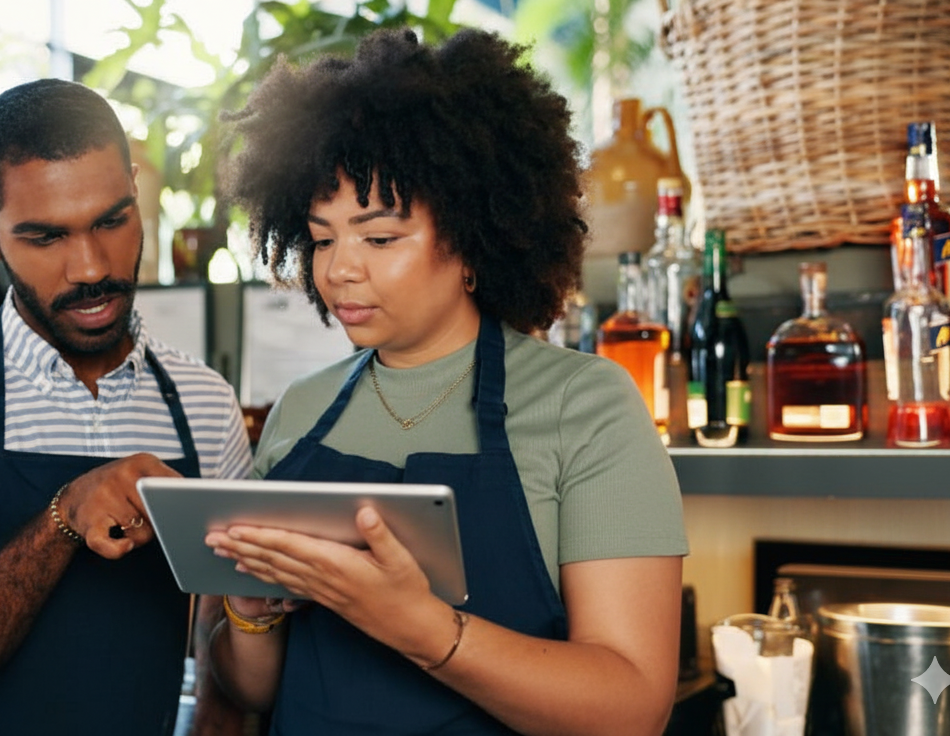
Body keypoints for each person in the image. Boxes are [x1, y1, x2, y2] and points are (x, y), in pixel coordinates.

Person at [205, 28, 689, 736]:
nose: (339, 269)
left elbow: (632, 707)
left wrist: (421, 628)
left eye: (379, 238)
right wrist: (250, 614)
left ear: (471, 240)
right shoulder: (302, 410)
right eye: (323, 238)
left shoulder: (585, 405)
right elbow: (251, 690)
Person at [0, 79, 252, 735]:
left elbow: (222, 637)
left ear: (137, 196)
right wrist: (63, 519)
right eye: (46, 237)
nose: (90, 268)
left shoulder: (204, 402)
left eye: (111, 221)